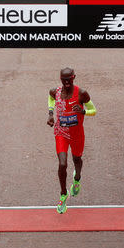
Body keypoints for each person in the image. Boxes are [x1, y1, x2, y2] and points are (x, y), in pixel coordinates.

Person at [47, 68, 96, 214]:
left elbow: (94, 110)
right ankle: (63, 194)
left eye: (70, 79)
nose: (67, 82)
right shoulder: (55, 92)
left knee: (77, 159)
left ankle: (77, 179)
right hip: (61, 132)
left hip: (76, 134)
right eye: (64, 79)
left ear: (74, 77)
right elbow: (50, 98)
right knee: (62, 164)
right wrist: (50, 114)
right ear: (60, 79)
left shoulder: (82, 93)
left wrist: (83, 111)